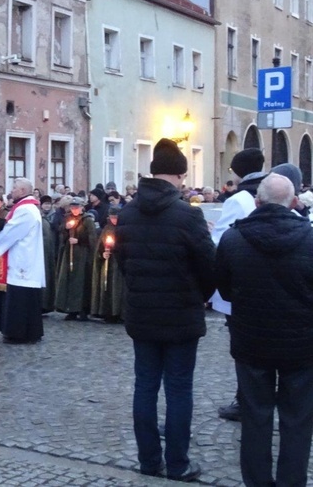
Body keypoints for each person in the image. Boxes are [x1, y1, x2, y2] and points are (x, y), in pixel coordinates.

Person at [115, 138, 215, 482]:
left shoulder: (126, 214)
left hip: (142, 313)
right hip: (181, 315)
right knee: (178, 389)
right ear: (179, 175)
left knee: (144, 386)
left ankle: (148, 461)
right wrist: (200, 295)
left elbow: (123, 263)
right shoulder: (188, 215)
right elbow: (208, 266)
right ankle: (177, 463)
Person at [215, 173, 313, 487]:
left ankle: (257, 481)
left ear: (257, 202)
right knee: (297, 420)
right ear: (294, 203)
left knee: (255, 417)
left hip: (252, 342)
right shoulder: (310, 239)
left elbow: (225, 291)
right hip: (301, 345)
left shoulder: (233, 239)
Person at [211, 147, 267, 423]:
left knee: (244, 349)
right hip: (272, 285)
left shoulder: (239, 200)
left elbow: (222, 243)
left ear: (236, 171)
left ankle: (245, 399)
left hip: (243, 286)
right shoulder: (270, 192)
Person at [0, 178, 45, 344]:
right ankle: (21, 331)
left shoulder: (26, 210)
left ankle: (19, 332)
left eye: (14, 188)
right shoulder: (24, 208)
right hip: (22, 257)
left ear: (22, 191)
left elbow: (11, 232)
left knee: (19, 299)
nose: (11, 191)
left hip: (22, 261)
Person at [54, 197, 96, 321]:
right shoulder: (68, 218)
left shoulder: (87, 220)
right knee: (70, 280)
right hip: (69, 254)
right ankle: (70, 308)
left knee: (81, 281)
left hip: (82, 255)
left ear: (82, 207)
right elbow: (61, 233)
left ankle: (83, 309)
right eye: (72, 208)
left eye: (76, 207)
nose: (74, 210)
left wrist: (80, 240)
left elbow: (92, 238)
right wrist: (66, 229)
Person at [90, 207, 123, 323]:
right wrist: (102, 253)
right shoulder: (107, 229)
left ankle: (119, 313)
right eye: (112, 217)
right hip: (108, 263)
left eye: (116, 217)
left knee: (118, 289)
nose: (114, 220)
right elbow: (100, 246)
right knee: (107, 287)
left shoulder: (124, 229)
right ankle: (107, 312)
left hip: (119, 264)